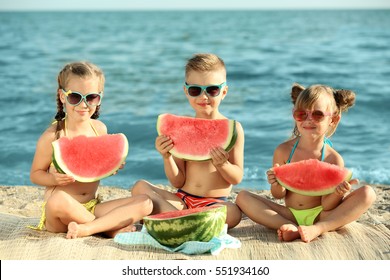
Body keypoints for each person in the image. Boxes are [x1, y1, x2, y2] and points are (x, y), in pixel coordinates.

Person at [236, 83, 376, 242]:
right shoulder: (283, 151)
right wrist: (276, 182)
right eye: (302, 114)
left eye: (317, 114)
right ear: (294, 116)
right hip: (290, 214)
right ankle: (289, 226)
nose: (309, 120)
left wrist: (339, 193)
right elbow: (278, 195)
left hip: (322, 215)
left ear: (333, 119)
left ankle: (319, 229)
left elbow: (327, 205)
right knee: (242, 197)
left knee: (368, 193)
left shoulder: (333, 159)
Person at [30, 61, 152, 239]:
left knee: (145, 203)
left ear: (99, 98)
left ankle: (89, 228)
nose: (83, 104)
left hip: (92, 206)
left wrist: (110, 167)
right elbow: (35, 174)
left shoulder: (100, 129)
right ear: (62, 97)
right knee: (57, 200)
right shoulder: (52, 136)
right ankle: (108, 229)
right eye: (75, 97)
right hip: (60, 213)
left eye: (91, 97)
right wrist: (52, 178)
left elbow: (93, 166)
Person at [132, 53, 244, 229]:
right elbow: (177, 182)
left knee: (233, 213)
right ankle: (183, 220)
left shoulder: (234, 129)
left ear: (224, 92)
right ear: (186, 91)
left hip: (214, 203)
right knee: (139, 186)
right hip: (181, 200)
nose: (203, 96)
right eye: (195, 90)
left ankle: (173, 219)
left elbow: (236, 177)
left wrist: (223, 165)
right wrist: (166, 156)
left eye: (212, 90)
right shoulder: (181, 130)